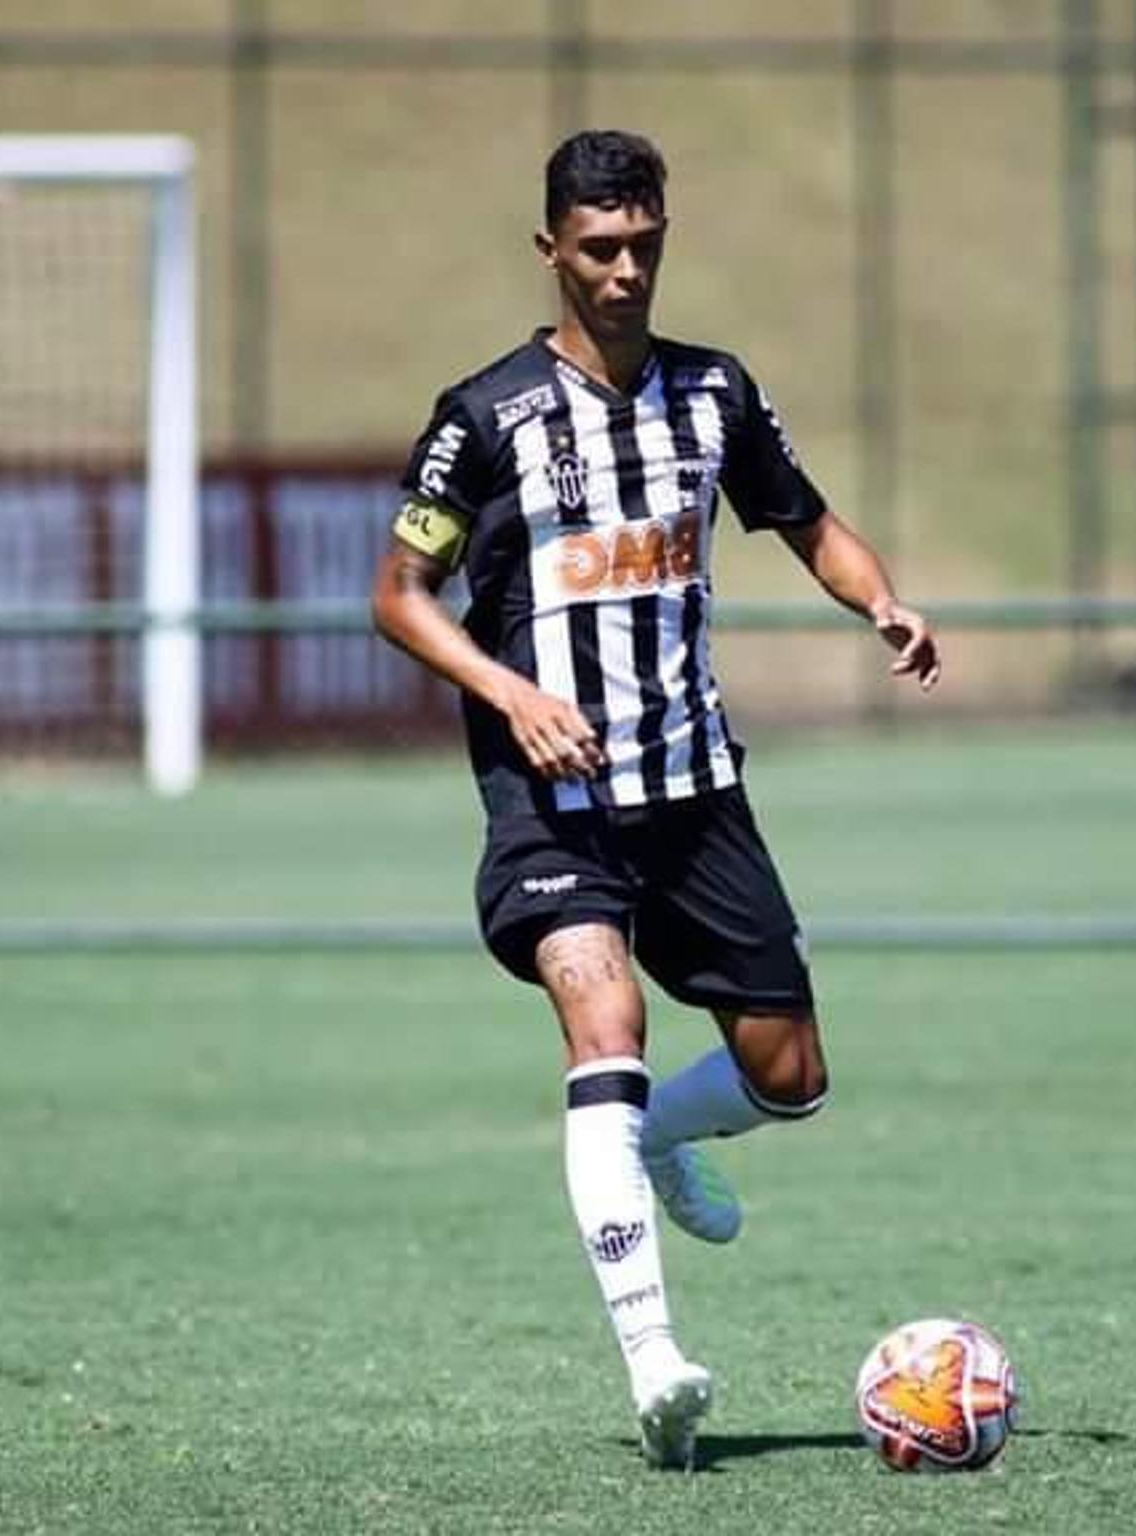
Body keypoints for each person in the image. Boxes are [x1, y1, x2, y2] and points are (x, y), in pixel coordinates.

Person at [371, 129, 941, 1470]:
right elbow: (400, 600)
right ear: (552, 250)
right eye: (601, 249)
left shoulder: (714, 394)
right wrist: (512, 696)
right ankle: (655, 1361)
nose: (626, 272)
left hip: (694, 792)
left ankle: (664, 1142)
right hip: (551, 799)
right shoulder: (484, 419)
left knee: (790, 1076)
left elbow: (804, 518)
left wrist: (882, 600)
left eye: (645, 247)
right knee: (605, 1014)